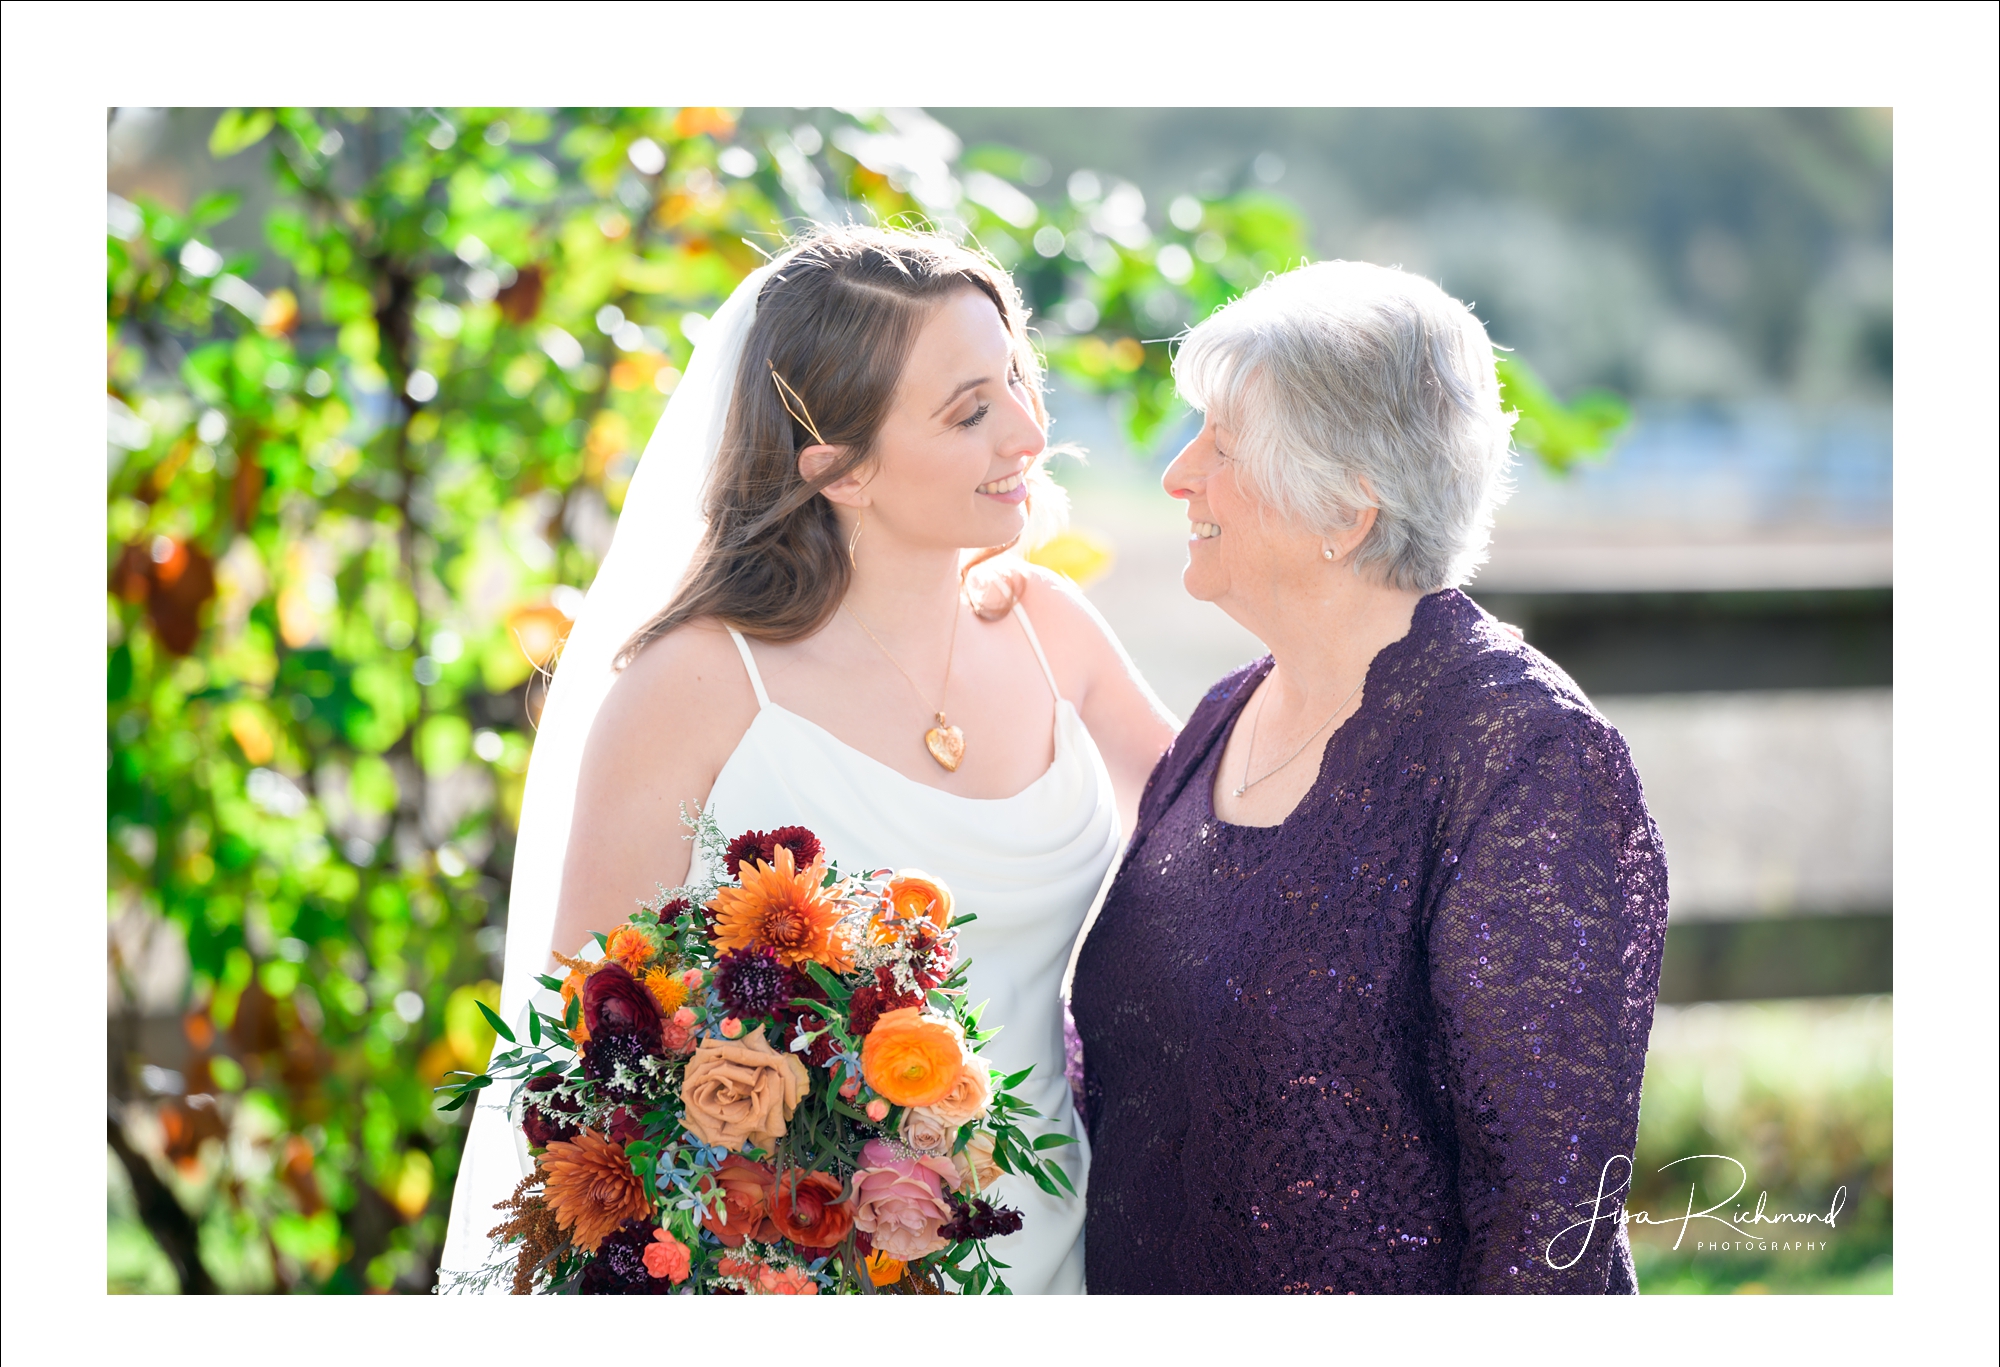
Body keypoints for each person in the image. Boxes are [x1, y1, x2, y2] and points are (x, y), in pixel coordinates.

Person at [438, 226, 1175, 1292]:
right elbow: (589, 1051)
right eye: (970, 410)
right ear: (837, 467)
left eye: (1015, 379)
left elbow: (1230, 842)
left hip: (1065, 1258)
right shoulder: (694, 687)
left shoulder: (1050, 631)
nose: (1027, 431)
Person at [1070, 260, 1668, 1293]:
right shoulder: (1223, 713)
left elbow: (1547, 1218)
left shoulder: (1520, 757)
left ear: (1344, 508)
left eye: (1221, 441)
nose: (1176, 474)